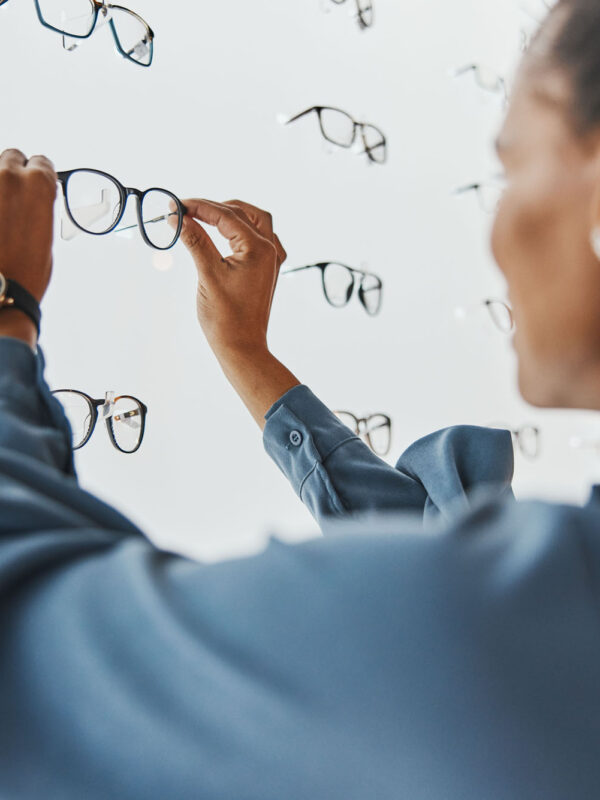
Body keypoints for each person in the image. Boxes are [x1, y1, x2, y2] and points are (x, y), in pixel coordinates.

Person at [1, 0, 600, 796]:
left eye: (515, 166)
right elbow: (422, 591)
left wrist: (11, 308)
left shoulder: (520, 633)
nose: (495, 231)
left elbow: (35, 663)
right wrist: (247, 354)